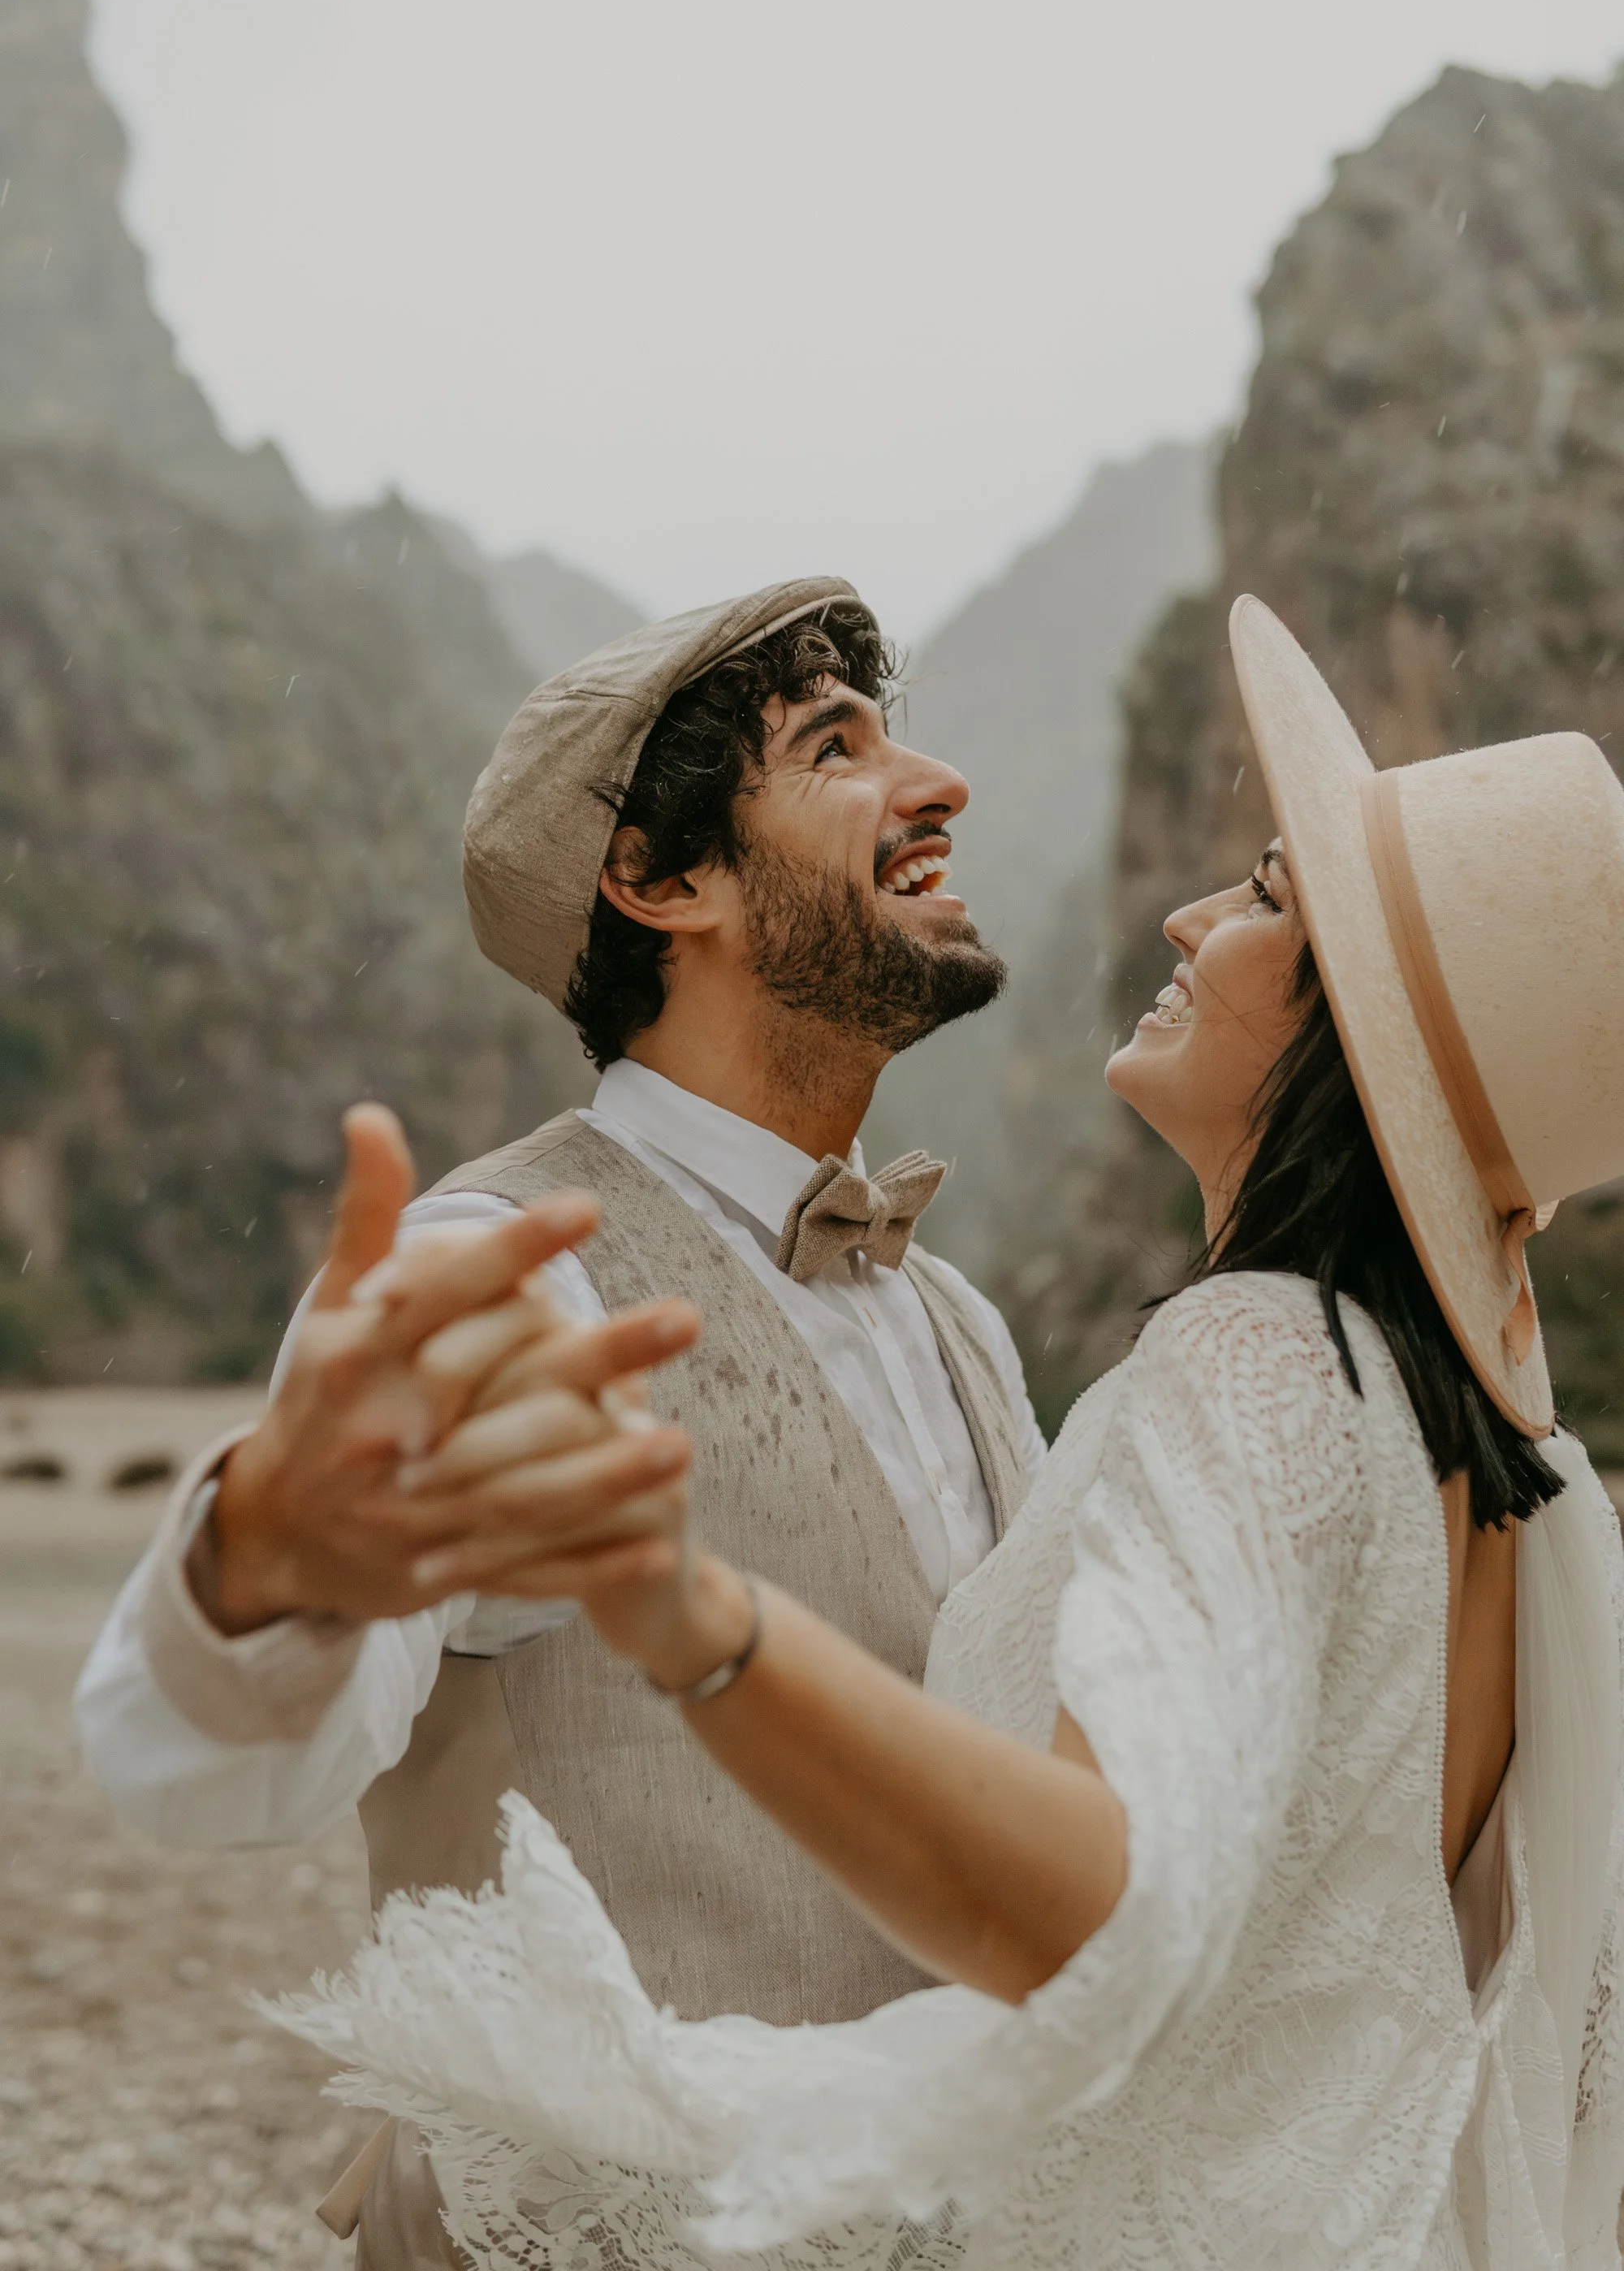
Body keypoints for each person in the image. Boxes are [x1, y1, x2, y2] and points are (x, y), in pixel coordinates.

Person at [274, 595, 1624, 2271]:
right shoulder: (1520, 1469)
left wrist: (705, 1634)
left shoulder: (1200, 1362)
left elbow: (1107, 1910)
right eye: (834, 747)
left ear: (1361, 1032)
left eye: (1268, 895)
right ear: (658, 877)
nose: (1194, 916)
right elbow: (303, 1696)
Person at [75, 580, 1044, 2264]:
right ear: (661, 881)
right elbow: (199, 1776)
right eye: (836, 749)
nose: (938, 784)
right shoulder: (495, 1274)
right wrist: (257, 1564)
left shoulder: (957, 1324)